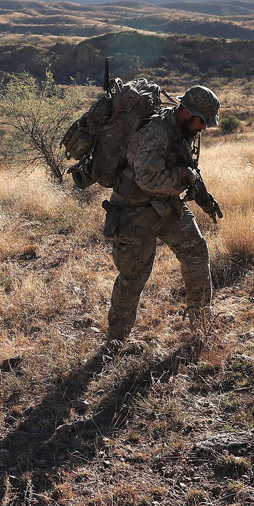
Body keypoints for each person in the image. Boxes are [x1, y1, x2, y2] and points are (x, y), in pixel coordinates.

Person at [104, 85, 221, 345]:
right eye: (202, 121)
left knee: (196, 252)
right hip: (134, 211)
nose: (203, 128)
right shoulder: (155, 133)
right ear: (187, 113)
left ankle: (201, 325)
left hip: (165, 206)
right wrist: (182, 177)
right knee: (133, 276)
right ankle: (115, 342)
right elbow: (148, 179)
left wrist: (201, 194)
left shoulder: (183, 131)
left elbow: (183, 168)